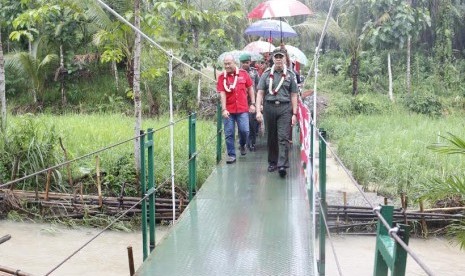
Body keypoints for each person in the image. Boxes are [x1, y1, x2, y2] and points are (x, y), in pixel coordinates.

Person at [256, 47, 298, 177]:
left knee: (283, 137)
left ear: (285, 59)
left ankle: (282, 165)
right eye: (276, 57)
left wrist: (294, 113)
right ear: (273, 59)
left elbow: (294, 95)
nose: (279, 59)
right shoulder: (266, 74)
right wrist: (258, 110)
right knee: (271, 137)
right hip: (269, 107)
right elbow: (260, 93)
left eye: (281, 57)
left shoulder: (290, 75)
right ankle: (272, 162)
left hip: (285, 108)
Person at [217, 54, 256, 164]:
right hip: (229, 110)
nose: (227, 66)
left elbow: (250, 88)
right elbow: (222, 94)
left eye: (229, 63)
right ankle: (231, 155)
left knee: (245, 131)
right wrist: (224, 109)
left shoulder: (243, 74)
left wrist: (253, 104)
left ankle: (242, 144)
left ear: (234, 63)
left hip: (242, 109)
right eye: (225, 64)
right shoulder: (221, 77)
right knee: (229, 132)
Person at [239, 53, 260, 152]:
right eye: (243, 63)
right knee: (242, 124)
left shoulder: (254, 73)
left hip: (252, 101)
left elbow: (259, 87)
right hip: (240, 101)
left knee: (252, 123)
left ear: (250, 62)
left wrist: (259, 103)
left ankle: (252, 143)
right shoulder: (236, 72)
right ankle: (243, 143)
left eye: (247, 62)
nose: (245, 64)